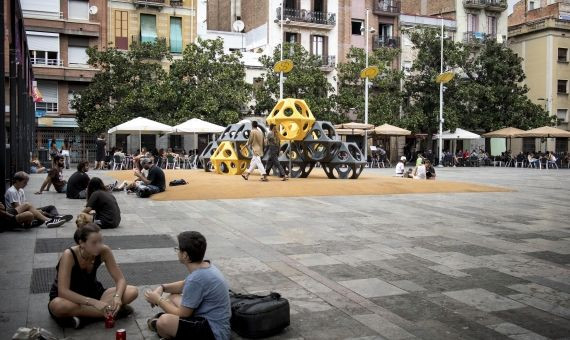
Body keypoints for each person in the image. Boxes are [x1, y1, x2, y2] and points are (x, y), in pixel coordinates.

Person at [48, 223, 138, 328]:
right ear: (82, 243)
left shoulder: (104, 251)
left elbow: (120, 279)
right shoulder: (69, 255)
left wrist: (117, 297)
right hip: (70, 298)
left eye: (100, 241)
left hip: (94, 292)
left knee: (132, 291)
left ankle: (84, 317)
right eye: (94, 243)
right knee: (59, 306)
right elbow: (63, 292)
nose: (99, 246)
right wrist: (94, 303)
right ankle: (108, 313)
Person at [144, 231, 231, 340]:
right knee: (172, 297)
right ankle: (167, 326)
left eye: (178, 250)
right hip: (215, 323)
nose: (177, 252)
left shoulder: (197, 278)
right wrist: (162, 288)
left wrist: (158, 299)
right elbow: (183, 285)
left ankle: (162, 327)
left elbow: (183, 314)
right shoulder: (206, 266)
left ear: (185, 255)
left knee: (163, 322)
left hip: (213, 332)